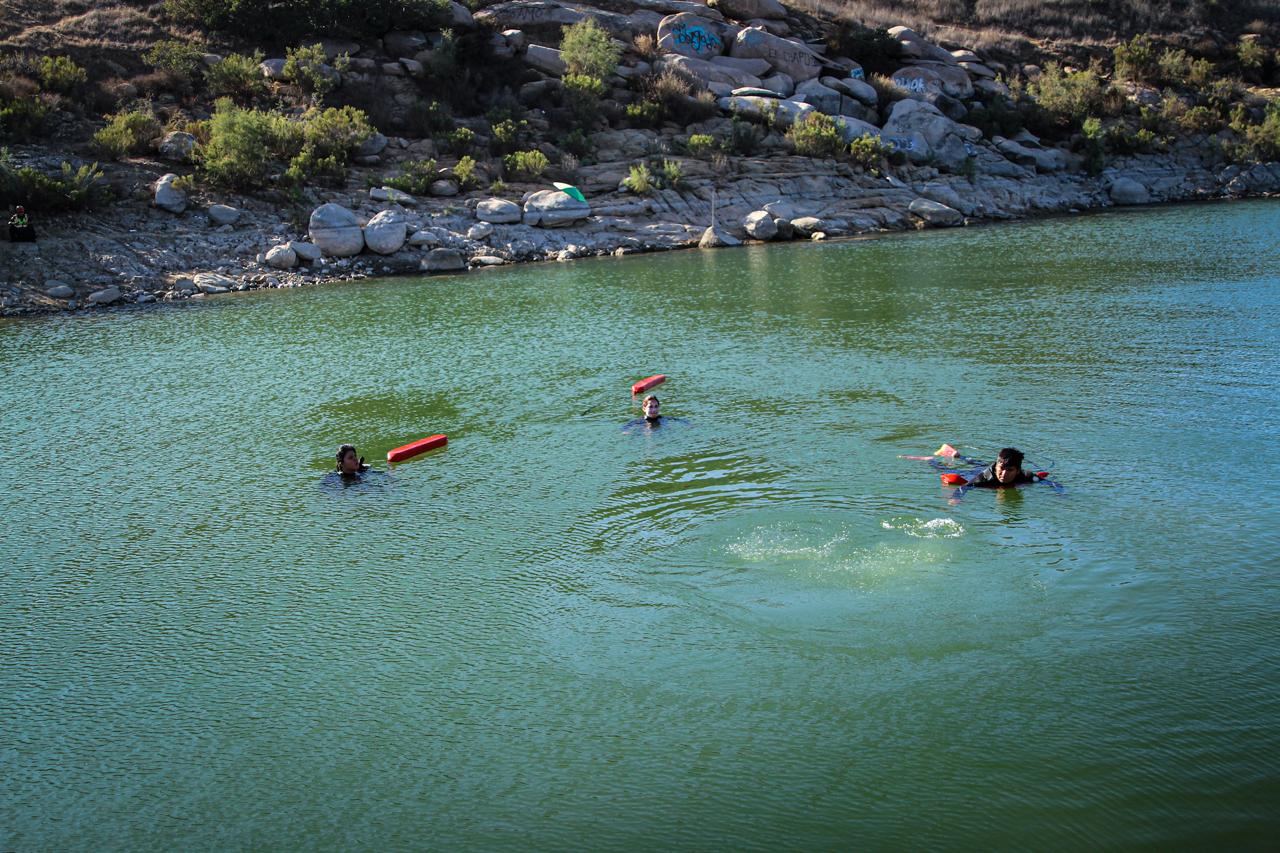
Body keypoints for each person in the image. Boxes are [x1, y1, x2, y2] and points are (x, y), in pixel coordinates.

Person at [960, 447, 1042, 488]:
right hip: (976, 472)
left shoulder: (1025, 475)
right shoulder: (984, 478)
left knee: (981, 464)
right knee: (976, 465)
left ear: (1017, 471)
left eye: (1010, 470)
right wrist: (955, 498)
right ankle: (960, 457)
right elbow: (964, 487)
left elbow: (1051, 483)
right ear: (996, 466)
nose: (1004, 473)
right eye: (1002, 469)